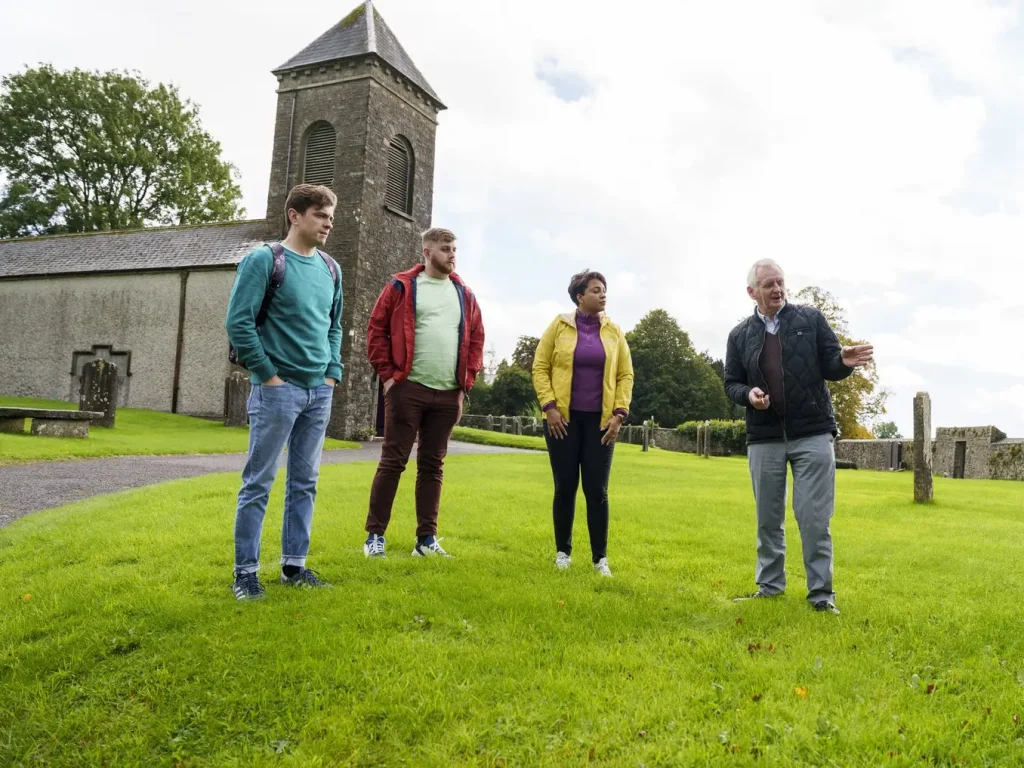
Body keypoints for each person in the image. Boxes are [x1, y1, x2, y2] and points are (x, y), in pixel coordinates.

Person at [724, 259, 873, 615]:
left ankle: (822, 596)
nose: (777, 289)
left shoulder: (810, 319)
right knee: (767, 518)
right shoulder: (739, 334)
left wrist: (844, 361)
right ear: (752, 292)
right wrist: (749, 396)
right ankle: (770, 587)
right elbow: (731, 382)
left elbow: (831, 366)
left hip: (813, 433)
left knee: (814, 517)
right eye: (768, 284)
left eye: (780, 282)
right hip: (764, 437)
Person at [225, 184, 343, 600]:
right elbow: (238, 322)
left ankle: (294, 566)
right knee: (258, 482)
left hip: (318, 392)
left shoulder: (331, 268)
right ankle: (246, 573)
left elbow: (333, 325)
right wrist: (268, 375)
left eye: (330, 215)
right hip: (277, 391)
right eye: (320, 214)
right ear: (294, 215)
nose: (328, 221)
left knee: (304, 482)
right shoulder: (264, 260)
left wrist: (331, 373)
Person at [363, 227, 485, 558]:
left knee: (433, 466)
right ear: (428, 252)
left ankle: (426, 540)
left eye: (455, 249)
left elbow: (475, 340)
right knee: (393, 462)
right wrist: (388, 377)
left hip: (448, 394)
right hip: (408, 389)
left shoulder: (465, 294)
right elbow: (376, 330)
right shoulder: (402, 286)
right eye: (446, 248)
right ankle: (375, 537)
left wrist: (464, 385)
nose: (452, 254)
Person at [532, 269, 633, 577]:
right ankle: (563, 553)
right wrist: (549, 407)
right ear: (580, 296)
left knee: (597, 490)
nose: (603, 295)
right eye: (596, 290)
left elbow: (625, 375)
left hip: (601, 424)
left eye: (604, 290)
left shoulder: (614, 331)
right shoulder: (559, 326)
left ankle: (599, 559)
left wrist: (619, 413)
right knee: (565, 487)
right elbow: (540, 366)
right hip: (562, 421)